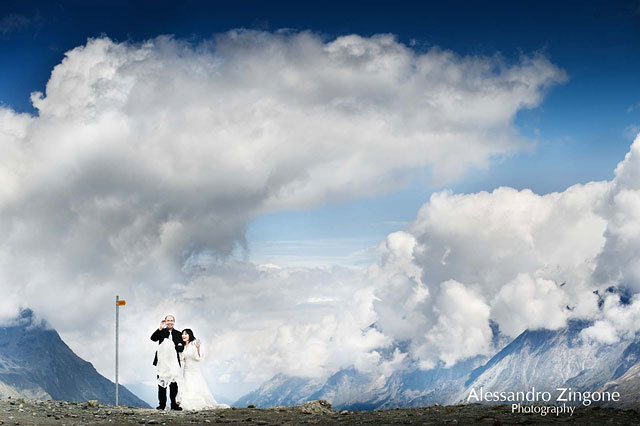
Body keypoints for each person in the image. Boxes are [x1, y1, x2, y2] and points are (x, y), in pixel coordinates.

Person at [179, 328, 230, 410]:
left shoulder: (194, 344)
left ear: (190, 335)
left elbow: (198, 358)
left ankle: (199, 403)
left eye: (185, 334)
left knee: (197, 385)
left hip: (195, 369)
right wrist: (179, 349)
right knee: (187, 385)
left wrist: (198, 348)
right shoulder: (183, 346)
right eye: (182, 334)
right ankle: (188, 403)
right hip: (187, 369)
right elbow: (182, 359)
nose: (183, 335)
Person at [150, 315, 184, 410]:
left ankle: (174, 405)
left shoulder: (178, 334)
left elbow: (181, 348)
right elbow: (153, 338)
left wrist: (177, 346)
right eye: (168, 320)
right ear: (165, 322)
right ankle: (162, 405)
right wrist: (160, 328)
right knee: (162, 384)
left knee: (174, 385)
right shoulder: (161, 331)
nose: (170, 322)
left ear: (174, 322)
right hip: (162, 362)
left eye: (171, 320)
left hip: (174, 363)